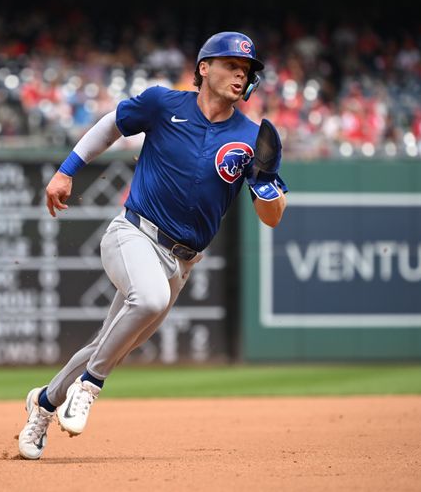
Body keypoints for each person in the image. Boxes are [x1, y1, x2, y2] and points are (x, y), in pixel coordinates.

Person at [17, 32, 288, 460]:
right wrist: (67, 170)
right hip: (134, 233)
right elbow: (111, 124)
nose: (241, 75)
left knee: (107, 342)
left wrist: (268, 183)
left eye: (247, 71)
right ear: (204, 68)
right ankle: (89, 387)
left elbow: (271, 217)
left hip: (182, 262)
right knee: (148, 300)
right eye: (232, 66)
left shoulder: (252, 138)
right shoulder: (165, 104)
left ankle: (44, 402)